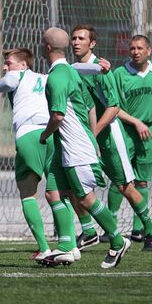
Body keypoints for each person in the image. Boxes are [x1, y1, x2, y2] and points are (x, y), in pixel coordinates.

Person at [0, 48, 103, 262]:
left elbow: (9, 81)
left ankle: (44, 248)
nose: (5, 67)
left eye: (9, 63)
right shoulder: (49, 77)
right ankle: (70, 246)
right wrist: (99, 67)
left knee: (27, 194)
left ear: (24, 65)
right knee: (58, 193)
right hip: (52, 136)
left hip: (30, 136)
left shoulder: (18, 76)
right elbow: (74, 68)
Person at [38, 28, 131, 269]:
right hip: (67, 146)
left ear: (47, 48)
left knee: (86, 199)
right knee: (53, 192)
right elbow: (88, 104)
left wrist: (45, 135)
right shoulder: (69, 71)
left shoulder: (59, 76)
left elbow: (57, 115)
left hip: (76, 148)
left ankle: (118, 241)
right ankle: (68, 247)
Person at [69, 25, 152, 252]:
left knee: (125, 187)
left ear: (92, 44)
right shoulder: (72, 69)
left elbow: (113, 107)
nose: (76, 42)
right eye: (73, 38)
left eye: (82, 38)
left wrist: (94, 133)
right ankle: (89, 231)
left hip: (109, 136)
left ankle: (150, 231)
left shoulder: (101, 70)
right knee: (72, 187)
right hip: (85, 138)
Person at [113, 35, 152, 249]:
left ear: (149, 50)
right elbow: (115, 108)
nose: (135, 51)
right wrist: (137, 122)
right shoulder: (120, 74)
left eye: (139, 48)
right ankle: (111, 226)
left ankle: (139, 230)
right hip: (126, 130)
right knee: (120, 180)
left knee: (143, 182)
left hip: (147, 132)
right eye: (132, 48)